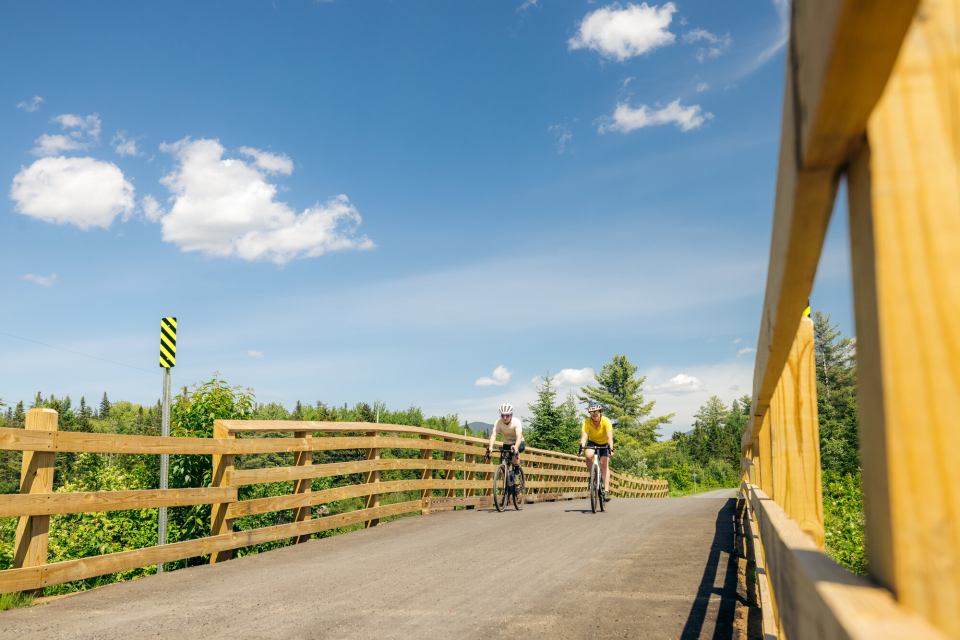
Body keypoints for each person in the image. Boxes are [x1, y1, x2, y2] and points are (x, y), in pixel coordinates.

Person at [579, 402, 614, 501]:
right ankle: (592, 476)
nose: (594, 414)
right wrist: (581, 449)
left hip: (604, 444)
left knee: (604, 463)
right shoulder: (587, 422)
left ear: (600, 411)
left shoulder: (606, 421)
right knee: (588, 455)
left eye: (596, 411)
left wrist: (611, 450)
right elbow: (584, 437)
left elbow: (610, 438)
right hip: (592, 442)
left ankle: (606, 490)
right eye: (591, 412)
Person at [487, 403, 524, 483]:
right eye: (502, 415)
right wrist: (490, 447)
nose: (504, 418)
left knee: (514, 451)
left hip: (518, 442)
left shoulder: (516, 422)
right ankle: (505, 488)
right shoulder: (498, 422)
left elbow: (519, 437)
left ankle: (517, 473)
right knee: (504, 466)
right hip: (506, 443)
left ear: (511, 415)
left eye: (506, 416)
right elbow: (494, 435)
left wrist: (516, 447)